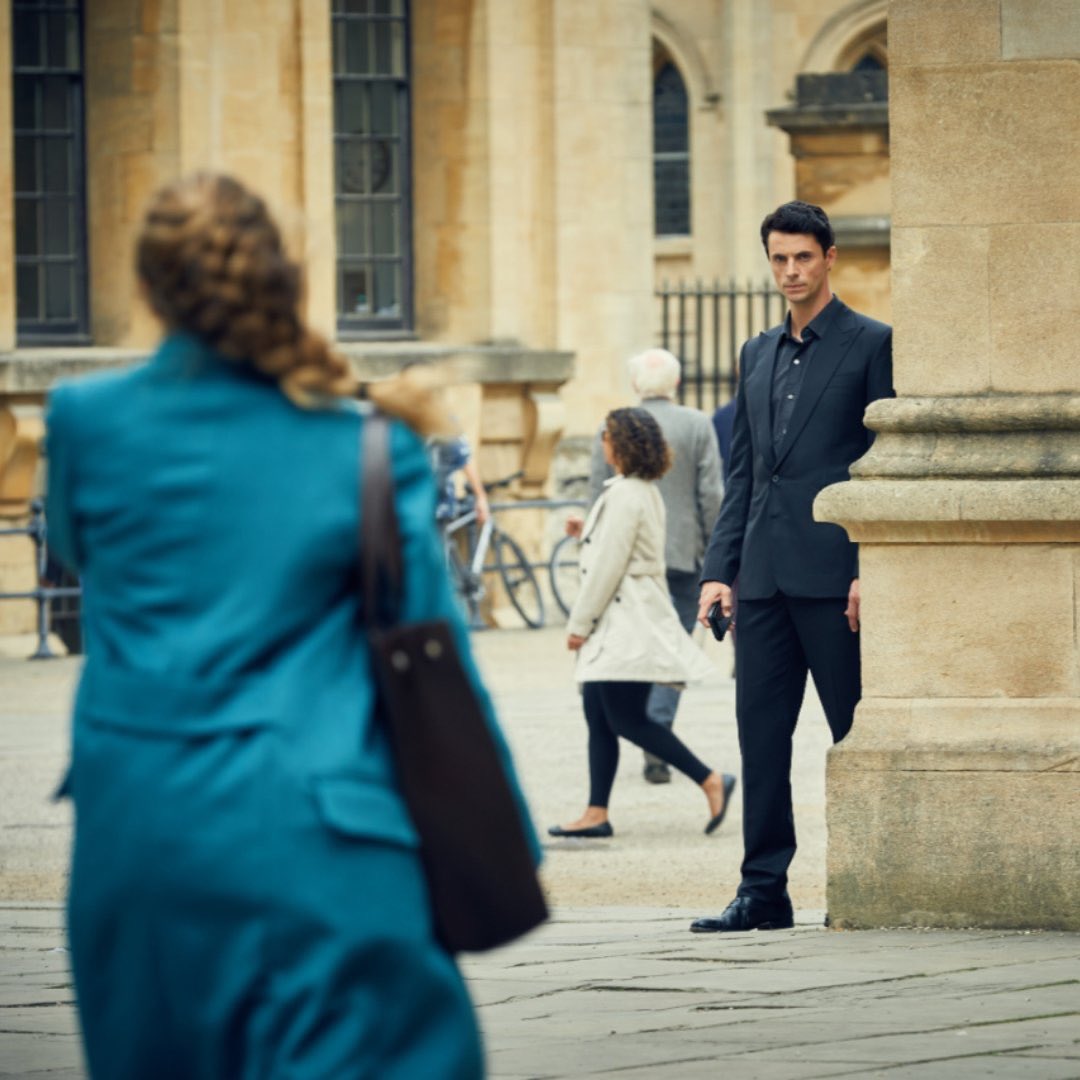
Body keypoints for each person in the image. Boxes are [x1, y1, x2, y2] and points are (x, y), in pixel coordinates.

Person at [44, 172, 536, 1078]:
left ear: (148, 289)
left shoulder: (83, 422)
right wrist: (502, 845)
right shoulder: (366, 446)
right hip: (328, 844)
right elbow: (435, 656)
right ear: (287, 281)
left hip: (141, 841)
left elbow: (77, 553)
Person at [691, 201, 893, 934]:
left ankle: (870, 881)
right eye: (779, 259)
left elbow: (884, 465)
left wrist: (873, 563)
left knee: (852, 732)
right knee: (761, 738)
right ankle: (763, 891)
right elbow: (744, 473)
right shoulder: (755, 353)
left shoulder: (875, 344)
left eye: (803, 257)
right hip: (764, 583)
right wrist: (721, 570)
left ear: (830, 257)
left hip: (838, 581)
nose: (790, 272)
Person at [549, 407, 736, 840]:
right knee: (599, 714)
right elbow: (620, 547)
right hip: (625, 617)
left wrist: (579, 624)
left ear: (622, 444)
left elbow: (607, 569)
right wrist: (586, 532)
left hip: (621, 621)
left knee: (627, 719)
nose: (602, 444)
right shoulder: (635, 490)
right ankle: (596, 812)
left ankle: (710, 779)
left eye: (608, 437)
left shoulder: (626, 494)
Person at [567, 349, 723, 784]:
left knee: (633, 646)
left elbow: (599, 491)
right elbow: (712, 493)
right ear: (674, 384)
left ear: (636, 385)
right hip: (684, 553)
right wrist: (716, 553)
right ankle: (658, 731)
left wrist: (588, 533)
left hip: (628, 557)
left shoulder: (613, 427)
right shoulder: (697, 423)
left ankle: (644, 735)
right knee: (666, 645)